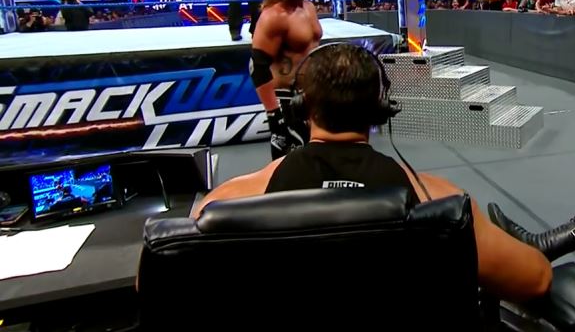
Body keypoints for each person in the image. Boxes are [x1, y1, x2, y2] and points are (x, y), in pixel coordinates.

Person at [193, 43, 553, 302]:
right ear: (382, 109)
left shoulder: (228, 202)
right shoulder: (440, 203)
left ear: (302, 108)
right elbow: (536, 279)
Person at [251, 0, 322, 159]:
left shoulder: (309, 8)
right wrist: (274, 114)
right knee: (291, 167)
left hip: (314, 97)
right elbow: (257, 66)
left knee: (319, 163)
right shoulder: (274, 16)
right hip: (287, 100)